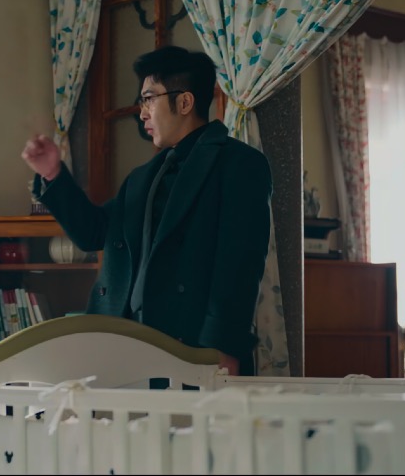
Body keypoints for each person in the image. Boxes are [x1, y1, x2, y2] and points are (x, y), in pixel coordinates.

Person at [21, 46, 272, 377]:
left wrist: (221, 347)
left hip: (193, 348)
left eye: (149, 99)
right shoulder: (142, 177)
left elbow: (239, 264)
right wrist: (53, 174)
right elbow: (92, 233)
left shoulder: (239, 164)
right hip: (119, 344)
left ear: (185, 102)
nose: (142, 114)